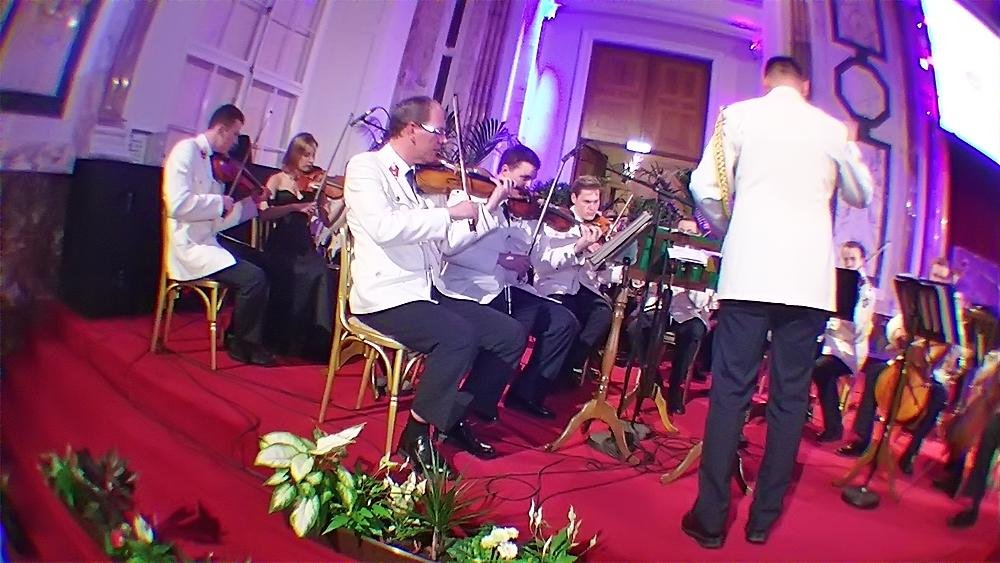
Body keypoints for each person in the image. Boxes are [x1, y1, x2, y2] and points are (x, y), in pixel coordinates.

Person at [680, 56, 874, 548]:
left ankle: (710, 519)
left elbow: (704, 187)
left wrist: (731, 229)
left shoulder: (738, 116)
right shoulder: (830, 128)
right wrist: (847, 145)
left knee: (731, 393)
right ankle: (762, 520)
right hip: (808, 283)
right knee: (790, 399)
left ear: (766, 80)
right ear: (805, 85)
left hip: (750, 272)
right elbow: (862, 194)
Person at [343, 95, 526, 472]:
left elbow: (448, 244)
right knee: (458, 336)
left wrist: (490, 206)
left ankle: (453, 417)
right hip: (386, 295)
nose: (443, 140)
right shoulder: (366, 168)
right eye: (438, 131)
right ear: (411, 130)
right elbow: (383, 228)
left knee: (508, 334)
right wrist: (447, 213)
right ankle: (415, 435)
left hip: (427, 290)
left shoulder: (420, 181)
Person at [438, 145, 580, 420]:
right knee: (520, 321)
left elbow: (537, 260)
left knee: (564, 322)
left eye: (532, 179)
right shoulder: (471, 196)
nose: (528, 186)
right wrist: (501, 258)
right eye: (524, 178)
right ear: (504, 171)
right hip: (470, 285)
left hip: (506, 286)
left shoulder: (521, 212)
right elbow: (452, 251)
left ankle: (526, 393)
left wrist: (574, 245)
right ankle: (475, 405)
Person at [161, 104, 276, 366]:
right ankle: (242, 343)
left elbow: (218, 223)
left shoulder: (214, 164)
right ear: (222, 129)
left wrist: (249, 205)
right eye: (234, 134)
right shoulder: (186, 151)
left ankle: (239, 333)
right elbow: (177, 205)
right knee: (253, 278)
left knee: (264, 262)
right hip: (189, 245)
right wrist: (219, 202)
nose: (235, 142)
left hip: (208, 240)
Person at [837, 258, 967, 474]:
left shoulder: (951, 312)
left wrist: (944, 348)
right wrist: (899, 335)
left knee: (939, 396)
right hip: (903, 364)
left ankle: (910, 453)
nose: (935, 280)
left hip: (931, 375)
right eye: (934, 274)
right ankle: (861, 439)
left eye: (941, 277)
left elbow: (956, 351)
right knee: (874, 373)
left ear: (949, 280)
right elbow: (895, 325)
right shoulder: (920, 299)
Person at [259, 133, 339, 359]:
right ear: (295, 154)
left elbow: (328, 221)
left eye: (313, 155)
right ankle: (280, 337)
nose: (311, 160)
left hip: (304, 242)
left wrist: (342, 203)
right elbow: (264, 214)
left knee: (321, 273)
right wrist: (294, 207)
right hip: (281, 242)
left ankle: (312, 342)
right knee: (289, 273)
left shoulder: (315, 183)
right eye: (306, 155)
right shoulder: (277, 179)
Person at [531, 175, 615, 385]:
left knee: (603, 314)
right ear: (574, 198)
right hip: (556, 285)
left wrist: (602, 260)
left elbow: (605, 277)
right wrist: (578, 247)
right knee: (569, 318)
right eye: (587, 201)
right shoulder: (556, 223)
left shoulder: (599, 227)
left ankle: (569, 365)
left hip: (584, 287)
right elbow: (543, 264)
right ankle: (549, 373)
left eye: (596, 201)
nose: (592, 207)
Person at [625, 218, 714, 414]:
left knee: (693, 332)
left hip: (688, 312)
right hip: (659, 306)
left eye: (690, 234)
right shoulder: (663, 252)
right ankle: (651, 374)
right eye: (681, 232)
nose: (685, 238)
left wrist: (689, 280)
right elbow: (645, 285)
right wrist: (652, 280)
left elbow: (702, 302)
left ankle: (675, 386)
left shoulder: (706, 260)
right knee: (635, 328)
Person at [811, 241, 876, 441]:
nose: (848, 263)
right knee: (803, 357)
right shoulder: (838, 282)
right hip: (828, 345)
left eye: (852, 259)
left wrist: (838, 322)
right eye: (845, 259)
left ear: (862, 261)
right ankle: (803, 410)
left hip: (849, 351)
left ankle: (833, 427)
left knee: (820, 369)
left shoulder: (865, 290)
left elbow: (860, 329)